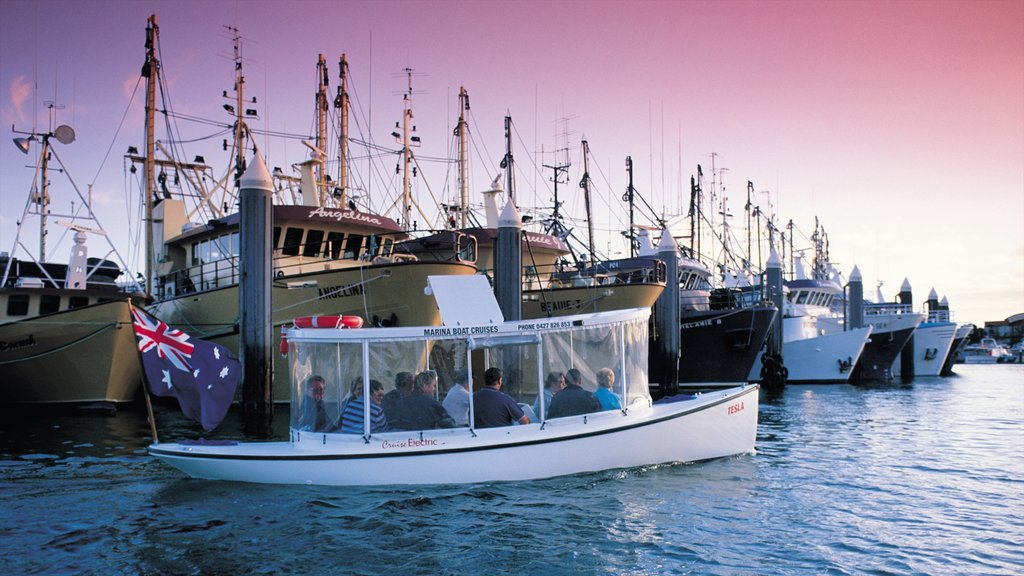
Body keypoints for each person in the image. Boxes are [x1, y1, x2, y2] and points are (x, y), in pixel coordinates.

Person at [391, 370, 457, 430]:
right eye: (433, 386)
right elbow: (449, 423)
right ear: (425, 386)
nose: (435, 389)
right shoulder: (431, 403)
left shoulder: (400, 403)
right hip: (428, 439)